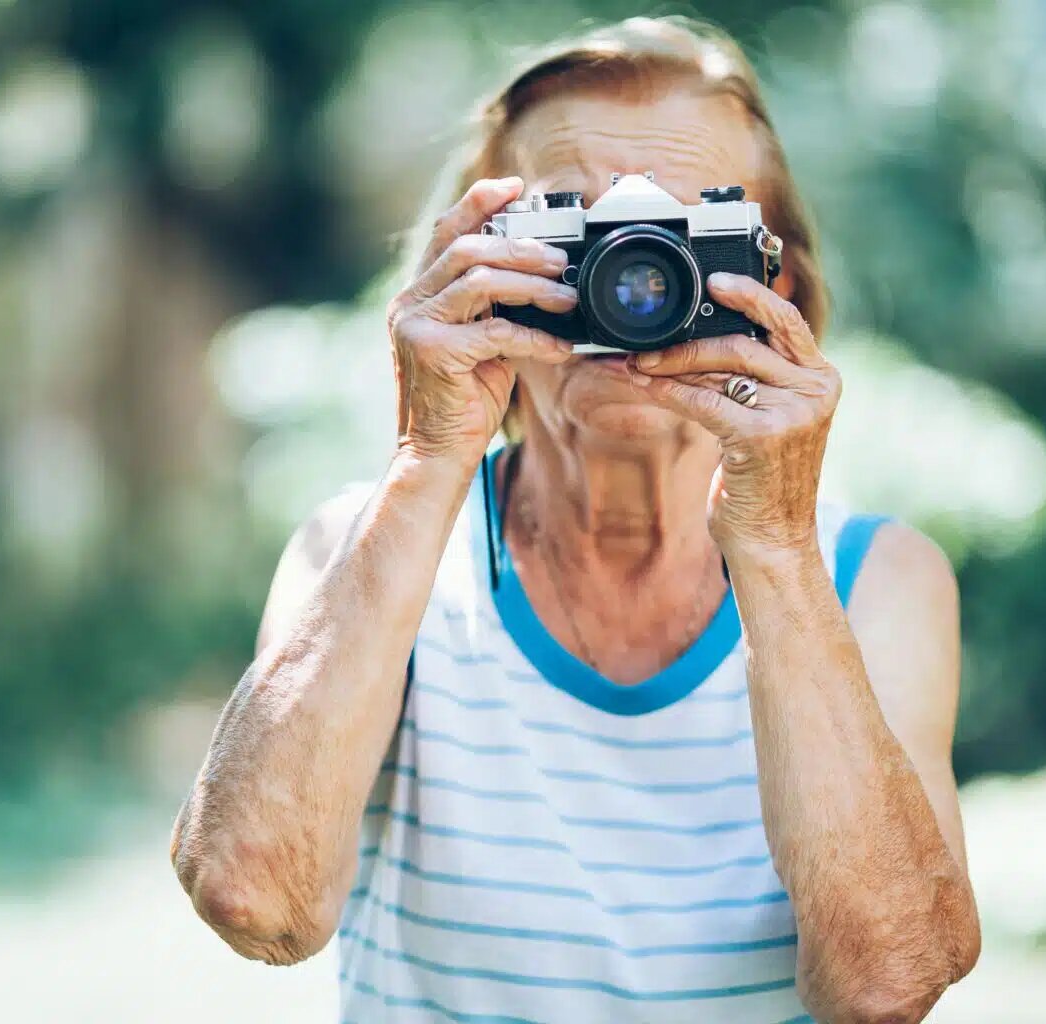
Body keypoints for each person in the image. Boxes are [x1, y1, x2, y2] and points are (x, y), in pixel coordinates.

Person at [172, 16, 980, 1023]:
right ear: (475, 263)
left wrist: (775, 544)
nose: (633, 278)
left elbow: (888, 983)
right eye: (577, 228)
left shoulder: (879, 581)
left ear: (777, 286)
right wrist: (431, 456)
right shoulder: (359, 552)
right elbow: (257, 901)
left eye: (683, 231)